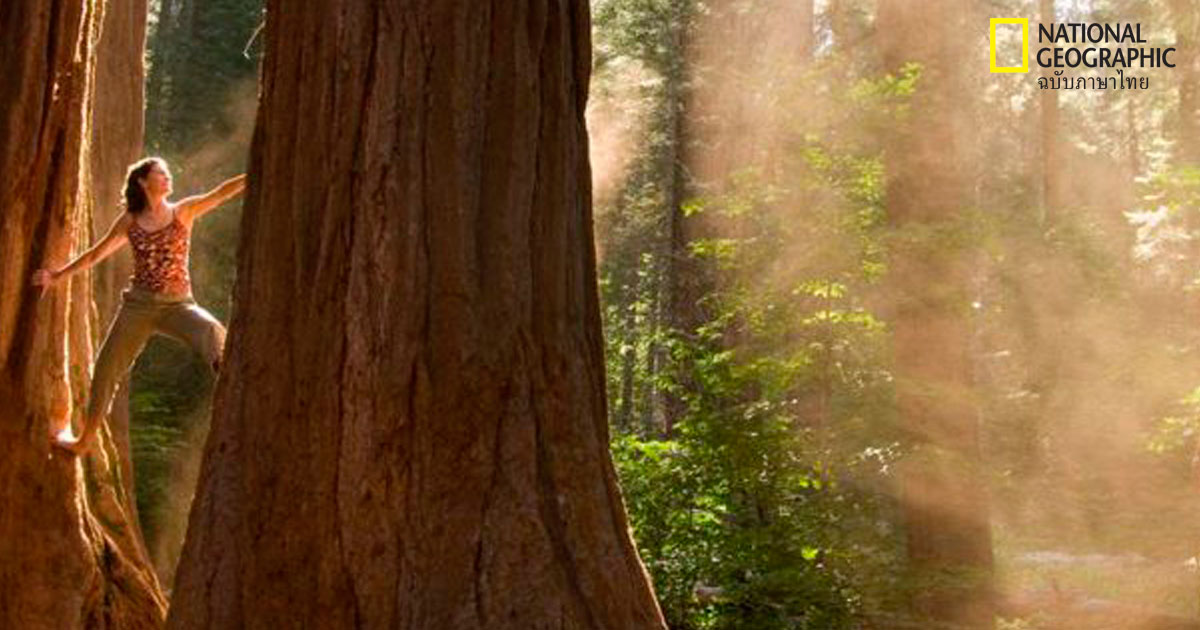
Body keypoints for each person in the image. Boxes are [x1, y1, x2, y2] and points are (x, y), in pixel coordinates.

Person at [31, 157, 246, 455]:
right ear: (143, 182)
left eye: (168, 173)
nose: (168, 177)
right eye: (161, 173)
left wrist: (253, 174)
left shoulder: (183, 211)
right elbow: (96, 254)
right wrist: (56, 277)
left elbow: (220, 193)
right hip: (138, 308)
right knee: (106, 370)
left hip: (178, 306)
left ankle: (236, 389)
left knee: (212, 331)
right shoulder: (130, 221)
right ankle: (83, 442)